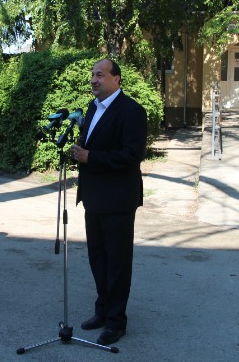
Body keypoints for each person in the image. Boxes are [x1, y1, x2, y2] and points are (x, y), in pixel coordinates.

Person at [70, 58, 147, 346]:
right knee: (98, 259)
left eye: (100, 75)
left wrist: (91, 157)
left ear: (116, 79)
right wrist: (80, 151)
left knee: (117, 263)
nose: (94, 80)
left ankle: (116, 322)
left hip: (118, 200)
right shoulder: (92, 108)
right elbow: (92, 147)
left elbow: (131, 155)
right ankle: (102, 311)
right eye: (93, 75)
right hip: (93, 197)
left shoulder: (132, 111)